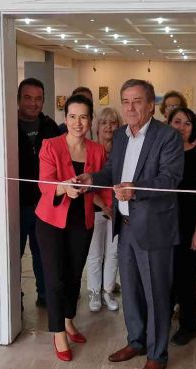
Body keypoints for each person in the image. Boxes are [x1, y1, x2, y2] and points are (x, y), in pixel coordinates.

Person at [76, 79, 184, 369]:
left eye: (137, 101)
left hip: (154, 231)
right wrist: (92, 179)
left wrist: (135, 190)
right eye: (125, 101)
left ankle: (157, 355)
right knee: (132, 293)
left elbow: (170, 179)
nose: (130, 107)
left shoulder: (168, 136)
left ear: (151, 105)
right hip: (124, 227)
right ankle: (136, 341)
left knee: (156, 295)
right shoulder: (122, 136)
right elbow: (113, 171)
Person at [35, 94, 107, 361]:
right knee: (55, 279)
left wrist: (109, 206)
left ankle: (67, 320)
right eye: (73, 116)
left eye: (83, 117)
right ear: (65, 119)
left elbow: (100, 185)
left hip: (82, 222)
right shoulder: (50, 145)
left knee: (74, 275)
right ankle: (58, 333)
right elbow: (44, 184)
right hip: (51, 221)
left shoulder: (97, 150)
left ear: (90, 120)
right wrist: (64, 188)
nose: (78, 122)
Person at [167, 107, 196, 346]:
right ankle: (163, 318)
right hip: (161, 226)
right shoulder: (161, 154)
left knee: (186, 277)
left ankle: (188, 326)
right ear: (168, 124)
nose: (181, 127)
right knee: (163, 276)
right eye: (177, 122)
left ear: (193, 129)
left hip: (188, 226)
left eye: (187, 123)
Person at [17, 78, 61, 308]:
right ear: (18, 99)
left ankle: (45, 295)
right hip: (16, 205)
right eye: (28, 98)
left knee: (44, 254)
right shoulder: (7, 125)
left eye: (38, 99)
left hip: (45, 204)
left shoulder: (50, 127)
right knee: (14, 254)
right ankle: (14, 297)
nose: (33, 103)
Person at [85, 107, 122, 312]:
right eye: (104, 122)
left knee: (113, 253)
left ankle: (108, 291)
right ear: (97, 127)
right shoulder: (91, 150)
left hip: (117, 210)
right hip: (96, 208)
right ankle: (94, 292)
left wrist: (114, 208)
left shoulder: (122, 150)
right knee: (95, 254)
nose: (108, 126)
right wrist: (105, 207)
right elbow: (88, 183)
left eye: (113, 122)